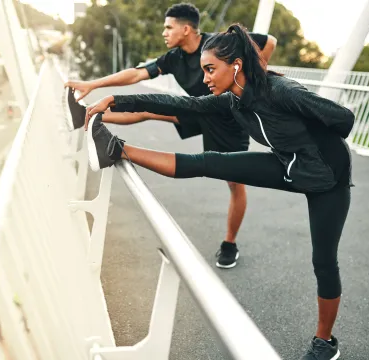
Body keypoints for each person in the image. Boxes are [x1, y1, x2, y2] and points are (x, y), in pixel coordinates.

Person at [83, 23, 354, 360]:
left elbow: (344, 118)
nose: (206, 78)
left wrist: (312, 144)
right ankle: (118, 150)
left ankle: (325, 343)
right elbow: (181, 105)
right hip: (285, 166)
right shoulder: (233, 102)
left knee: (323, 262)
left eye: (210, 69)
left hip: (327, 180)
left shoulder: (280, 91)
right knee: (209, 162)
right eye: (203, 70)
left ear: (236, 65)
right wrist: (116, 101)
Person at [65, 2, 277, 269]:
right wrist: (93, 84)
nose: (164, 33)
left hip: (228, 118)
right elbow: (136, 74)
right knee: (149, 111)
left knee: (234, 183)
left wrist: (256, 75)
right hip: (199, 109)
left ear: (186, 29)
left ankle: (230, 243)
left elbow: (269, 40)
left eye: (168, 27)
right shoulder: (173, 58)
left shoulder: (220, 43)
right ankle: (85, 116)